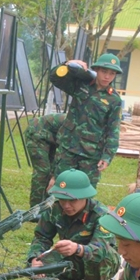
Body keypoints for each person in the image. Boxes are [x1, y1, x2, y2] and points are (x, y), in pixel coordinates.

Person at [27, 169, 118, 280]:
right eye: (62, 199)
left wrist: (78, 249)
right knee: (36, 272)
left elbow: (101, 250)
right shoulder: (54, 210)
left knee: (101, 259)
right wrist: (36, 257)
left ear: (85, 197)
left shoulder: (102, 215)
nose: (66, 205)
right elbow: (42, 237)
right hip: (70, 257)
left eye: (72, 200)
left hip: (100, 259)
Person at [49, 53, 123, 187]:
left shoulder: (114, 99)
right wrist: (67, 63)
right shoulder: (81, 85)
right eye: (104, 71)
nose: (107, 76)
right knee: (60, 186)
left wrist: (107, 156)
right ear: (97, 70)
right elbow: (54, 78)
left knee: (84, 192)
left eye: (112, 73)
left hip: (91, 154)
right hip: (68, 147)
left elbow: (114, 130)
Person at [26, 113, 66, 207]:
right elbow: (62, 152)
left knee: (51, 170)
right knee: (43, 170)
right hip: (37, 133)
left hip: (51, 136)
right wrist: (54, 176)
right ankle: (35, 208)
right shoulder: (72, 125)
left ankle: (47, 205)